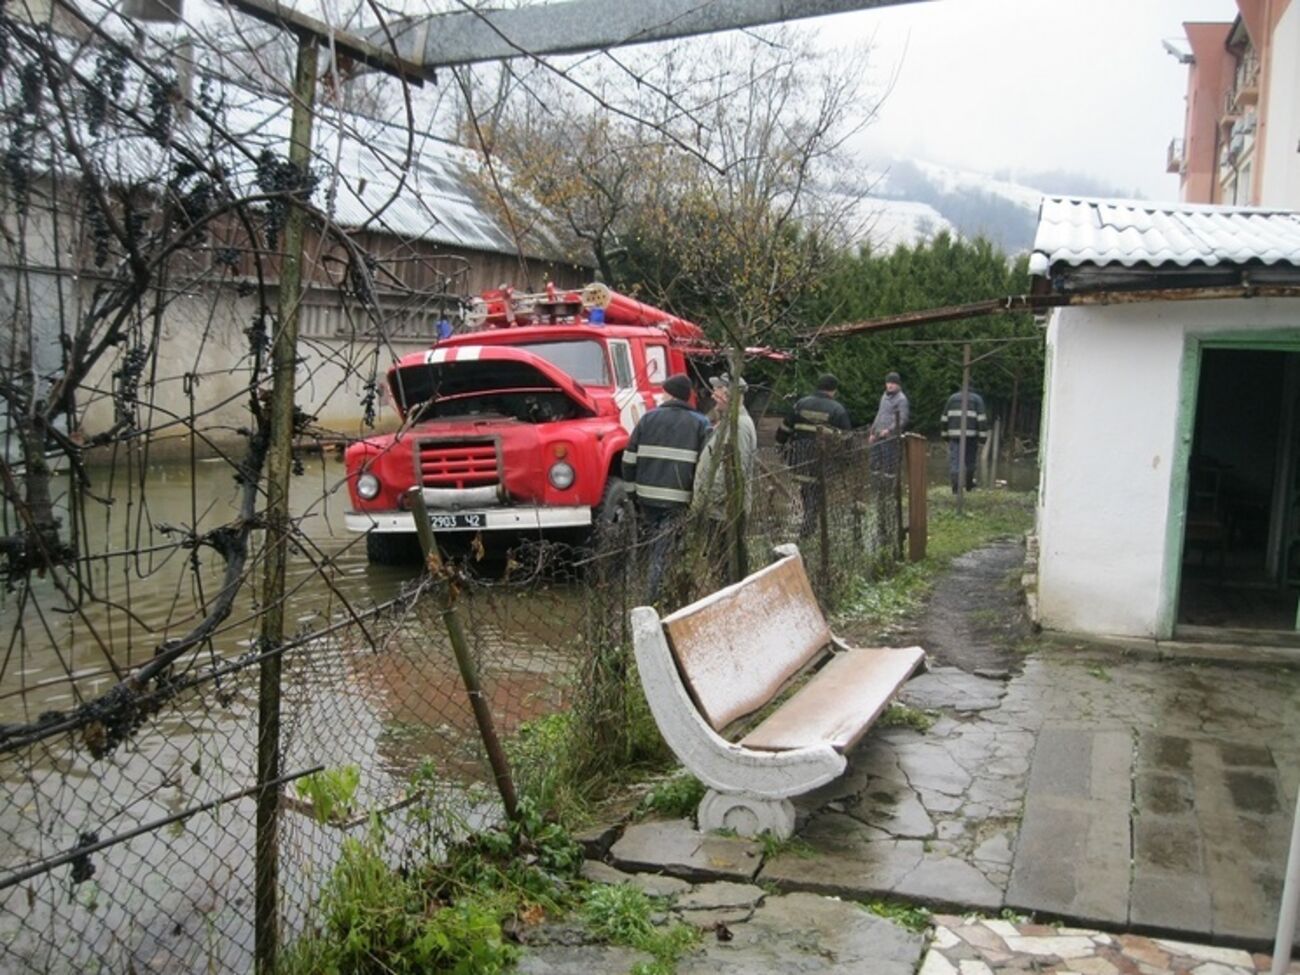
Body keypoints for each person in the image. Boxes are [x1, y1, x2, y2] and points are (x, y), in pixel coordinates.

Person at [622, 373, 711, 601]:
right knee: (666, 550)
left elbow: (628, 460)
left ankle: (651, 597)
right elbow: (705, 466)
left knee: (655, 547)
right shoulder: (700, 423)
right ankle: (658, 597)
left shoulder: (647, 419)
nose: (661, 396)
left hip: (646, 498)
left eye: (664, 392)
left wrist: (632, 494)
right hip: (680, 500)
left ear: (671, 394)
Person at [693, 374, 758, 581]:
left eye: (718, 391)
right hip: (720, 511)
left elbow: (735, 471)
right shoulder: (730, 423)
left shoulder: (739, 426)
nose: (713, 395)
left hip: (725, 512)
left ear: (731, 394)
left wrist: (708, 500)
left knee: (727, 570)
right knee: (721, 567)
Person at [776, 373, 851, 537]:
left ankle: (809, 523)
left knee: (806, 489)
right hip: (822, 460)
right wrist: (845, 461)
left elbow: (785, 428)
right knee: (815, 493)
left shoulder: (801, 404)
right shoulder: (837, 409)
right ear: (834, 390)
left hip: (799, 457)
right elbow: (847, 439)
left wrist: (780, 446)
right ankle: (809, 527)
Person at [941, 385, 989, 493]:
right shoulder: (977, 399)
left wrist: (945, 436)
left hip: (954, 436)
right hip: (971, 436)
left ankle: (955, 487)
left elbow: (944, 419)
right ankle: (969, 485)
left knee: (955, 461)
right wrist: (983, 439)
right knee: (970, 461)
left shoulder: (952, 398)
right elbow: (982, 420)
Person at [867, 371, 910, 473]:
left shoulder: (902, 399)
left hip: (890, 438)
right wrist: (872, 432)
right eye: (888, 383)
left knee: (889, 465)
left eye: (893, 383)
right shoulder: (884, 396)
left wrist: (889, 430)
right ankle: (876, 481)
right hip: (878, 435)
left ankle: (889, 481)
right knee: (874, 464)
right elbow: (879, 414)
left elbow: (903, 419)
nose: (890, 385)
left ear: (898, 385)